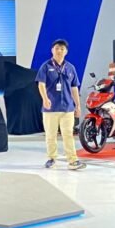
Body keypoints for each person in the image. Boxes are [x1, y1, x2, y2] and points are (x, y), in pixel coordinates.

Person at [36, 39, 86, 170]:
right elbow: (41, 84)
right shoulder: (45, 66)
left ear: (66, 52)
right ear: (52, 50)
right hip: (50, 108)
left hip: (67, 108)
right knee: (50, 135)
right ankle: (51, 158)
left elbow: (74, 88)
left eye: (62, 49)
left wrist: (78, 105)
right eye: (57, 48)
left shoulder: (70, 68)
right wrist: (45, 99)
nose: (59, 51)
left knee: (68, 134)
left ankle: (73, 160)